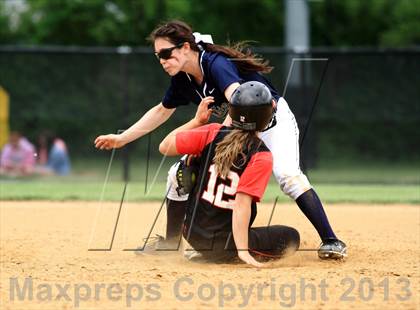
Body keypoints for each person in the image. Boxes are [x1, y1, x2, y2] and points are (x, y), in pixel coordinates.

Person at [94, 20, 346, 259]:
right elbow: (161, 111)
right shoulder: (183, 79)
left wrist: (213, 142)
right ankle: (171, 243)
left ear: (185, 47)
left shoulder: (215, 63)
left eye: (165, 53)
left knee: (288, 176)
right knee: (177, 173)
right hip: (234, 128)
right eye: (157, 55)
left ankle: (331, 239)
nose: (161, 60)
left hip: (270, 119)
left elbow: (239, 100)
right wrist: (122, 138)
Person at [159, 81, 300, 266]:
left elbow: (164, 146)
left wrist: (196, 122)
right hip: (223, 246)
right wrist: (243, 252)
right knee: (291, 237)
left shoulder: (213, 132)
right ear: (267, 116)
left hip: (191, 233)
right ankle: (219, 255)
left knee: (182, 169)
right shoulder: (261, 155)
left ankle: (191, 248)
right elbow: (241, 205)